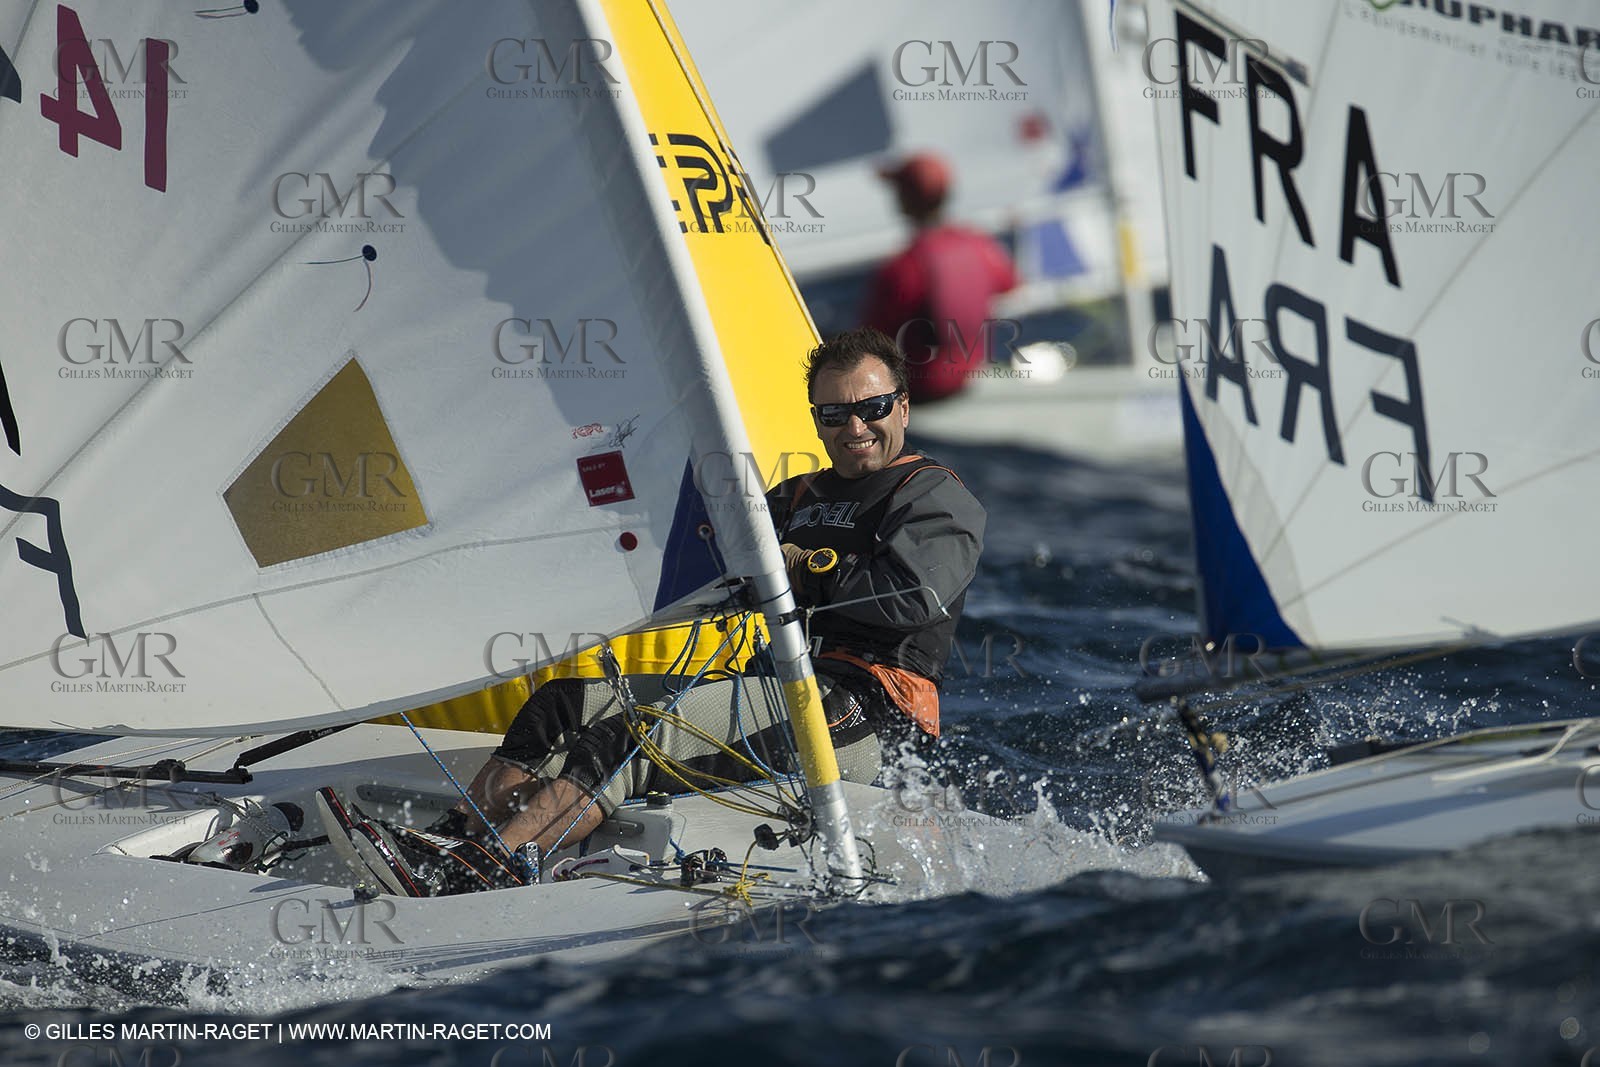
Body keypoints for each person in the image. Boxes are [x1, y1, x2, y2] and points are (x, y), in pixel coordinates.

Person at [318, 328, 986, 896]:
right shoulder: (799, 494)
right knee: (561, 707)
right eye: (832, 415)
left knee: (629, 737)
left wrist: (800, 567)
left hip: (865, 715)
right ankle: (461, 840)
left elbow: (907, 597)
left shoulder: (932, 495)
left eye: (870, 407)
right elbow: (706, 561)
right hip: (777, 686)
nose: (854, 427)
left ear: (902, 404)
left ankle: (490, 868)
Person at [862, 151, 1019, 404]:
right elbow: (1010, 285)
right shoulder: (980, 245)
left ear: (904, 199)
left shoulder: (904, 267)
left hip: (922, 391)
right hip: (970, 376)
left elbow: (872, 338)